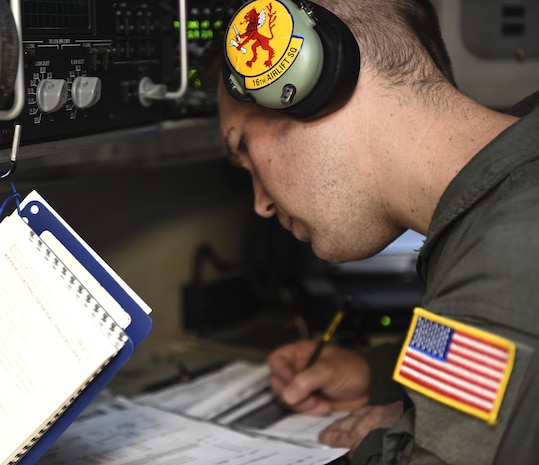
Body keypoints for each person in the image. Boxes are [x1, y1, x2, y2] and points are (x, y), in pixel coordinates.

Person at [217, 0, 539, 463]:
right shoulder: (504, 207)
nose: (260, 203)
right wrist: (382, 376)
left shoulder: (506, 256)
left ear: (314, 81)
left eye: (243, 146)